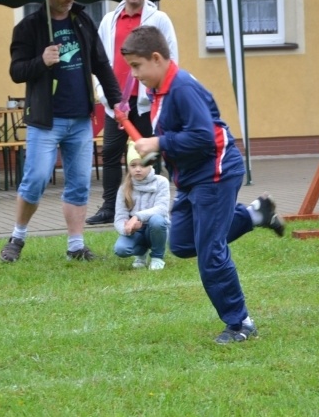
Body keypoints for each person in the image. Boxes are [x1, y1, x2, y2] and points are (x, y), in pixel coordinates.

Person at [122, 26, 285, 344]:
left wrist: (158, 140)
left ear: (156, 59)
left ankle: (241, 324)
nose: (134, 74)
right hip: (192, 179)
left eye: (137, 66)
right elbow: (177, 135)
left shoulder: (181, 88)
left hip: (216, 174)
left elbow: (202, 136)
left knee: (211, 253)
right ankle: (255, 216)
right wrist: (154, 147)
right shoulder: (159, 90)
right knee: (182, 244)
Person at [0, 0, 122, 263]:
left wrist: (117, 101)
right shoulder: (29, 27)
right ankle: (17, 236)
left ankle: (76, 245)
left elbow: (101, 64)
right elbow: (17, 71)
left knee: (80, 182)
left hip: (80, 117)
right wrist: (41, 61)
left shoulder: (82, 21)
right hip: (45, 119)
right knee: (37, 178)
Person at [87, 0, 179, 225]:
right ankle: (109, 207)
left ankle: (157, 205)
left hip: (145, 102)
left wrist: (160, 93)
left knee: (151, 154)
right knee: (111, 154)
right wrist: (104, 94)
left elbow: (171, 56)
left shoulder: (158, 18)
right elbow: (100, 58)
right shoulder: (109, 20)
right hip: (115, 104)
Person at [113, 141, 171, 270]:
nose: (138, 169)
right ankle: (141, 254)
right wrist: (126, 229)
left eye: (142, 165)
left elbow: (161, 209)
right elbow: (119, 216)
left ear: (150, 165)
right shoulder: (124, 188)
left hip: (156, 228)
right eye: (133, 165)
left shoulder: (161, 182)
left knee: (157, 220)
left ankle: (157, 257)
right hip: (136, 231)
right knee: (120, 249)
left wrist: (137, 217)